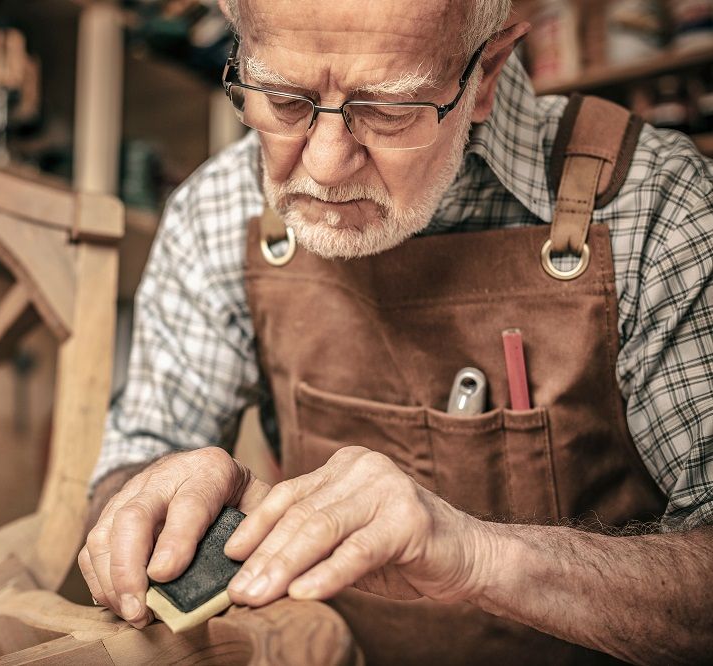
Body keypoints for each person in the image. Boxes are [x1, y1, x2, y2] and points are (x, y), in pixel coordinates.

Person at [78, 0, 713, 661]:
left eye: (384, 110)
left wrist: (478, 557)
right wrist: (143, 500)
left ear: (487, 72)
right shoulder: (219, 212)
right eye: (284, 99)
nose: (323, 166)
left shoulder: (655, 206)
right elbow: (125, 471)